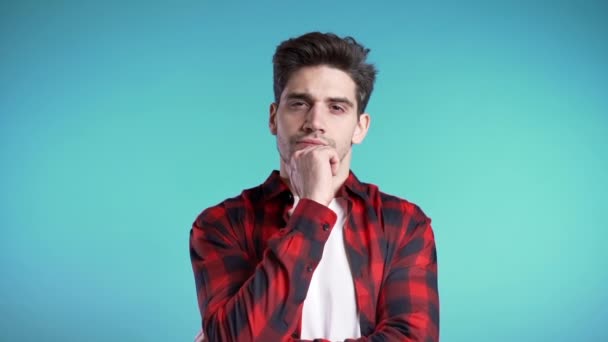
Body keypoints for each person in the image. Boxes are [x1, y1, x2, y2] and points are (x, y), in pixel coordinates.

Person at [189, 32, 439, 342]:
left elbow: (414, 338)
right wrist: (313, 206)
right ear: (273, 118)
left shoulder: (403, 223)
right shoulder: (222, 223)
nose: (315, 121)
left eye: (336, 108)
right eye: (298, 104)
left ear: (360, 128)